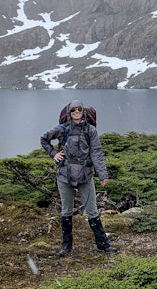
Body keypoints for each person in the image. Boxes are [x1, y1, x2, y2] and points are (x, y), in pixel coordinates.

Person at [40, 100, 117, 255]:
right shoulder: (62, 129)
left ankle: (103, 245)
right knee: (66, 210)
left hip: (85, 175)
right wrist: (53, 153)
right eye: (73, 109)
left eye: (79, 109)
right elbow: (44, 139)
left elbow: (96, 153)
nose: (76, 112)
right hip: (64, 175)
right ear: (69, 112)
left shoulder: (90, 131)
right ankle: (66, 246)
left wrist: (102, 174)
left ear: (84, 111)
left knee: (92, 211)